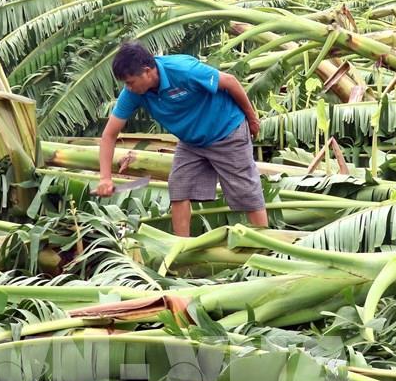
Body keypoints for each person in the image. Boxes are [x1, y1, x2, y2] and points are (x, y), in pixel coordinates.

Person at [96, 42, 268, 236]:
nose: (128, 88)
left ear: (146, 71)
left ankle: (264, 246)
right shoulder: (134, 93)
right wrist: (105, 178)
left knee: (246, 192)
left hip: (226, 132)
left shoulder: (183, 69)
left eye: (130, 82)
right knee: (179, 188)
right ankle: (181, 247)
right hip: (192, 142)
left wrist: (252, 119)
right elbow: (109, 135)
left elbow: (230, 81)